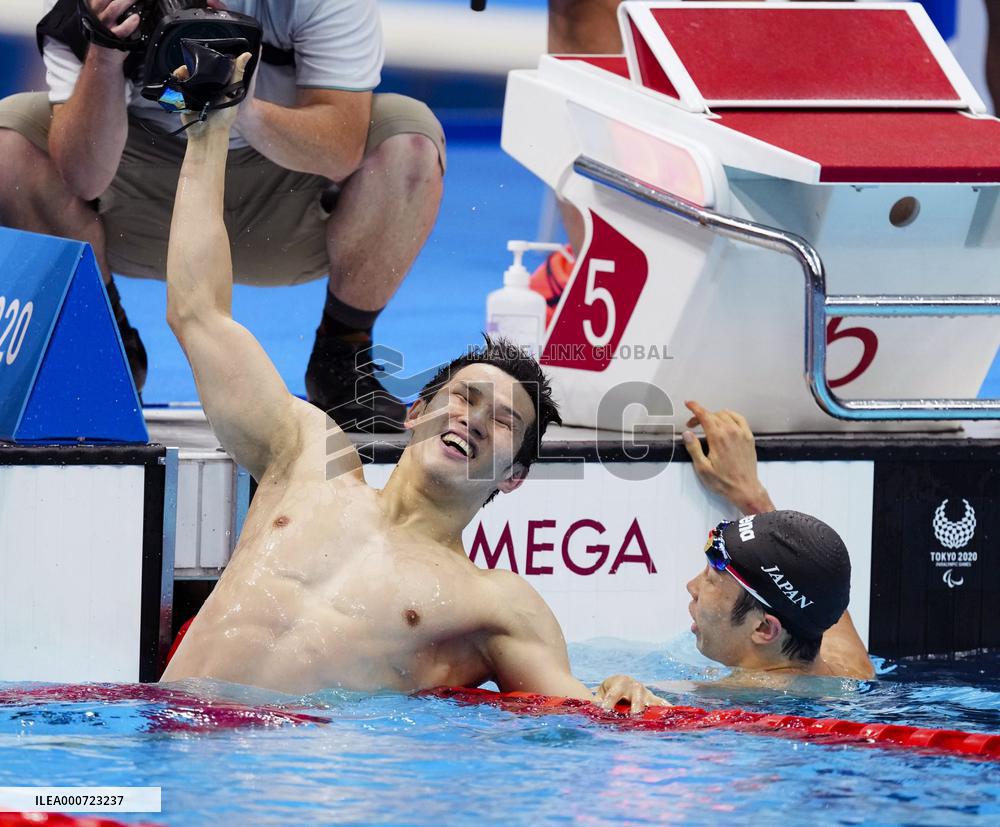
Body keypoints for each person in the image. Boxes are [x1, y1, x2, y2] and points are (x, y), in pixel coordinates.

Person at [157, 52, 661, 711]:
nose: (473, 419)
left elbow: (583, 718)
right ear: (416, 411)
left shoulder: (492, 603)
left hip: (291, 770)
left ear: (514, 476)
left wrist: (620, 696)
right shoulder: (304, 458)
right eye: (463, 398)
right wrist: (208, 133)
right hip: (165, 740)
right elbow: (197, 313)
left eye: (503, 421)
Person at [0, 0, 444, 429]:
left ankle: (342, 355)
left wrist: (241, 105)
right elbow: (83, 179)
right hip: (138, 210)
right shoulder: (92, 7)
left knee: (410, 139)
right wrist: (105, 51)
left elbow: (340, 151)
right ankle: (104, 347)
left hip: (282, 209)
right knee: (10, 136)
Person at [596, 402, 875, 703]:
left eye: (711, 580)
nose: (692, 587)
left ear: (764, 628)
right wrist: (752, 496)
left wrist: (622, 691)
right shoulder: (852, 671)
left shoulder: (707, 704)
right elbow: (812, 575)